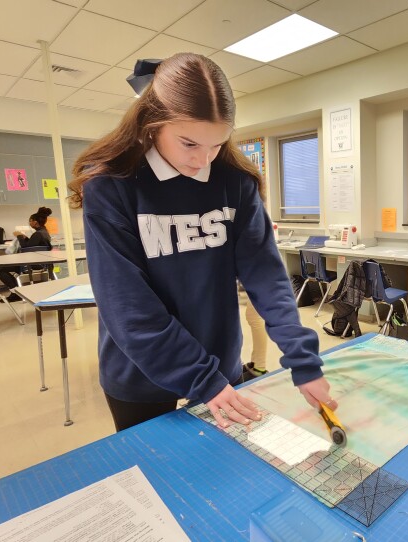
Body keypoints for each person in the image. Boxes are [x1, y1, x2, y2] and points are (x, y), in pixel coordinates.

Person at [68, 53, 337, 432]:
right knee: (157, 480)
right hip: (140, 373)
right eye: (189, 143)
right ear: (152, 123)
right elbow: (128, 306)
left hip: (219, 362)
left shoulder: (235, 183)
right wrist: (202, 379)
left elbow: (267, 279)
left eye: (215, 146)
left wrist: (303, 361)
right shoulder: (111, 188)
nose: (202, 161)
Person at [0, 206, 53, 302]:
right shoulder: (44, 232)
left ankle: (16, 293)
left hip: (32, 265)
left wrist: (19, 237)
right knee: (3, 268)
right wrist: (25, 238)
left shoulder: (38, 234)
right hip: (42, 263)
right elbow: (32, 245)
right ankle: (19, 291)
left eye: (30, 221)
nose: (29, 223)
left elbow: (26, 248)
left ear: (35, 222)